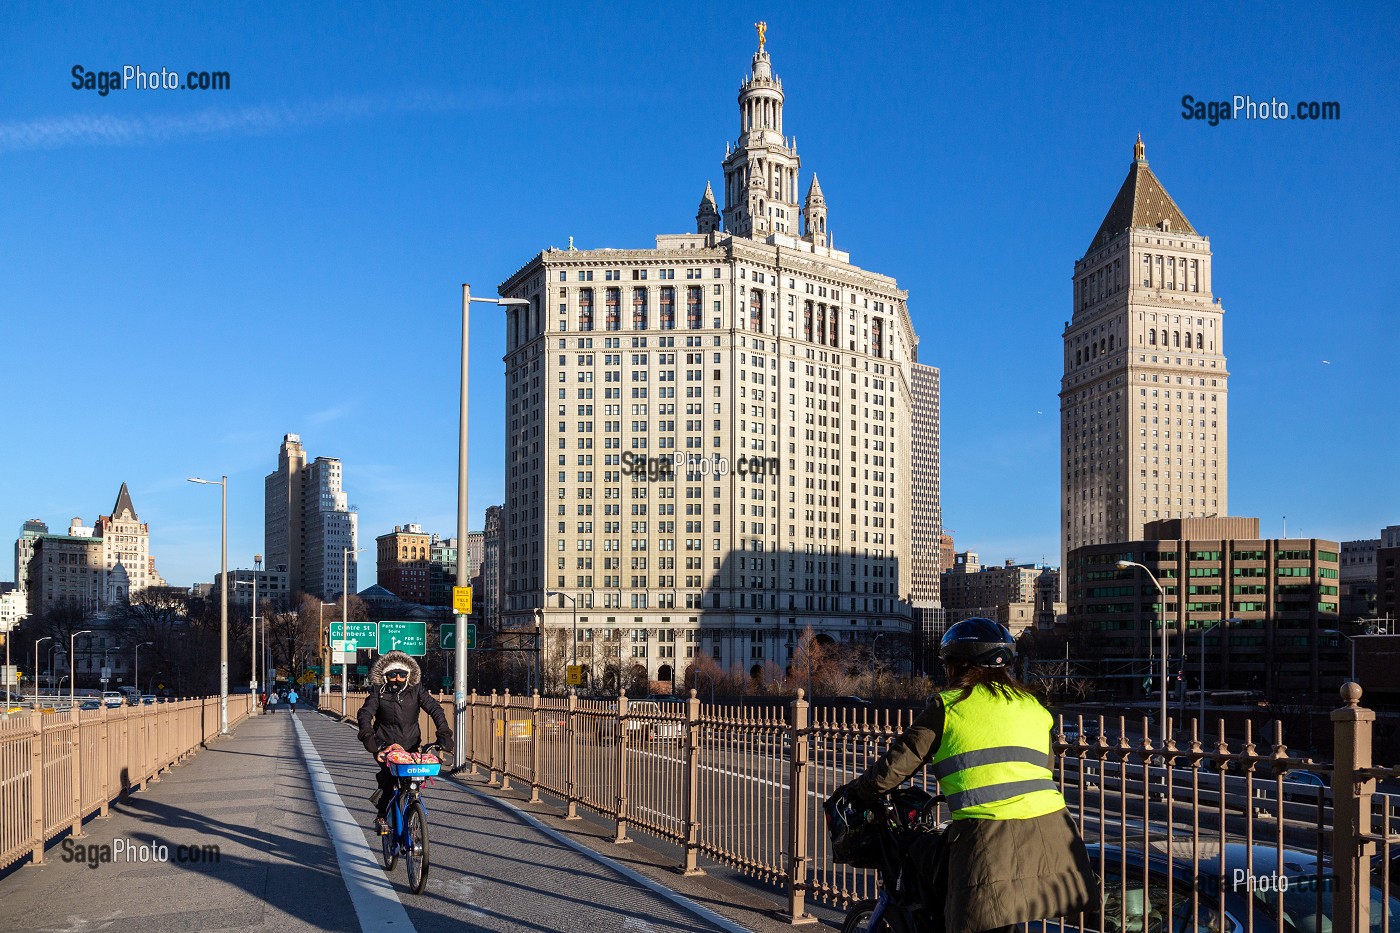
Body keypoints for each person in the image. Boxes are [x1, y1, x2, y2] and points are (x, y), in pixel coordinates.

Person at [836, 618, 1095, 933]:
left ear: (958, 666)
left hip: (988, 840)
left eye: (948, 664)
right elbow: (1042, 767)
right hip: (1055, 836)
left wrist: (859, 791)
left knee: (955, 904)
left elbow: (895, 767)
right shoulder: (1034, 707)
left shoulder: (949, 706)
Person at [356, 650, 454, 836]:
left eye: (402, 674)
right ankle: (382, 815)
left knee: (413, 781)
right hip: (384, 746)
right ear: (385, 676)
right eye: (393, 674)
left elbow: (435, 708)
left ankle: (412, 811)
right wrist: (369, 737)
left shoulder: (416, 690)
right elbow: (365, 714)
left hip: (410, 745)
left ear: (408, 675)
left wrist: (443, 733)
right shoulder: (378, 692)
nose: (398, 678)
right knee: (389, 778)